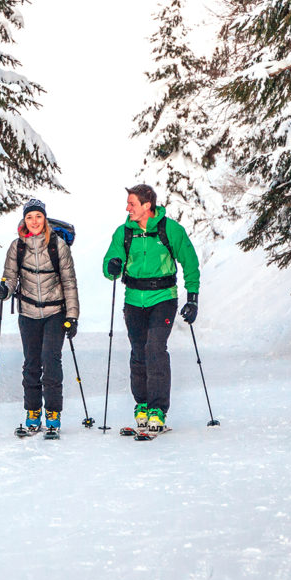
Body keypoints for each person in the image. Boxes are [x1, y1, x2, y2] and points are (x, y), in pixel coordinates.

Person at [101, 184, 200, 433]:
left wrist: (192, 298)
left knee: (155, 348)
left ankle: (158, 409)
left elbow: (190, 262)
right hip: (134, 300)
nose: (127, 208)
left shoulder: (170, 230)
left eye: (132, 203)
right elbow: (109, 263)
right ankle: (142, 405)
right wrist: (112, 266)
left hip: (163, 298)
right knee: (138, 352)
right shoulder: (124, 232)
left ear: (147, 205)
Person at [0, 198, 79, 437]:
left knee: (51, 362)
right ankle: (33, 412)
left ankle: (53, 414)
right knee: (31, 364)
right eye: (29, 217)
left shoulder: (58, 245)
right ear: (24, 220)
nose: (34, 221)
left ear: (45, 219)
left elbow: (69, 282)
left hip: (55, 313)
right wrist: (5, 289)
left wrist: (72, 316)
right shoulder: (17, 247)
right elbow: (10, 276)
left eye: (38, 217)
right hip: (28, 313)